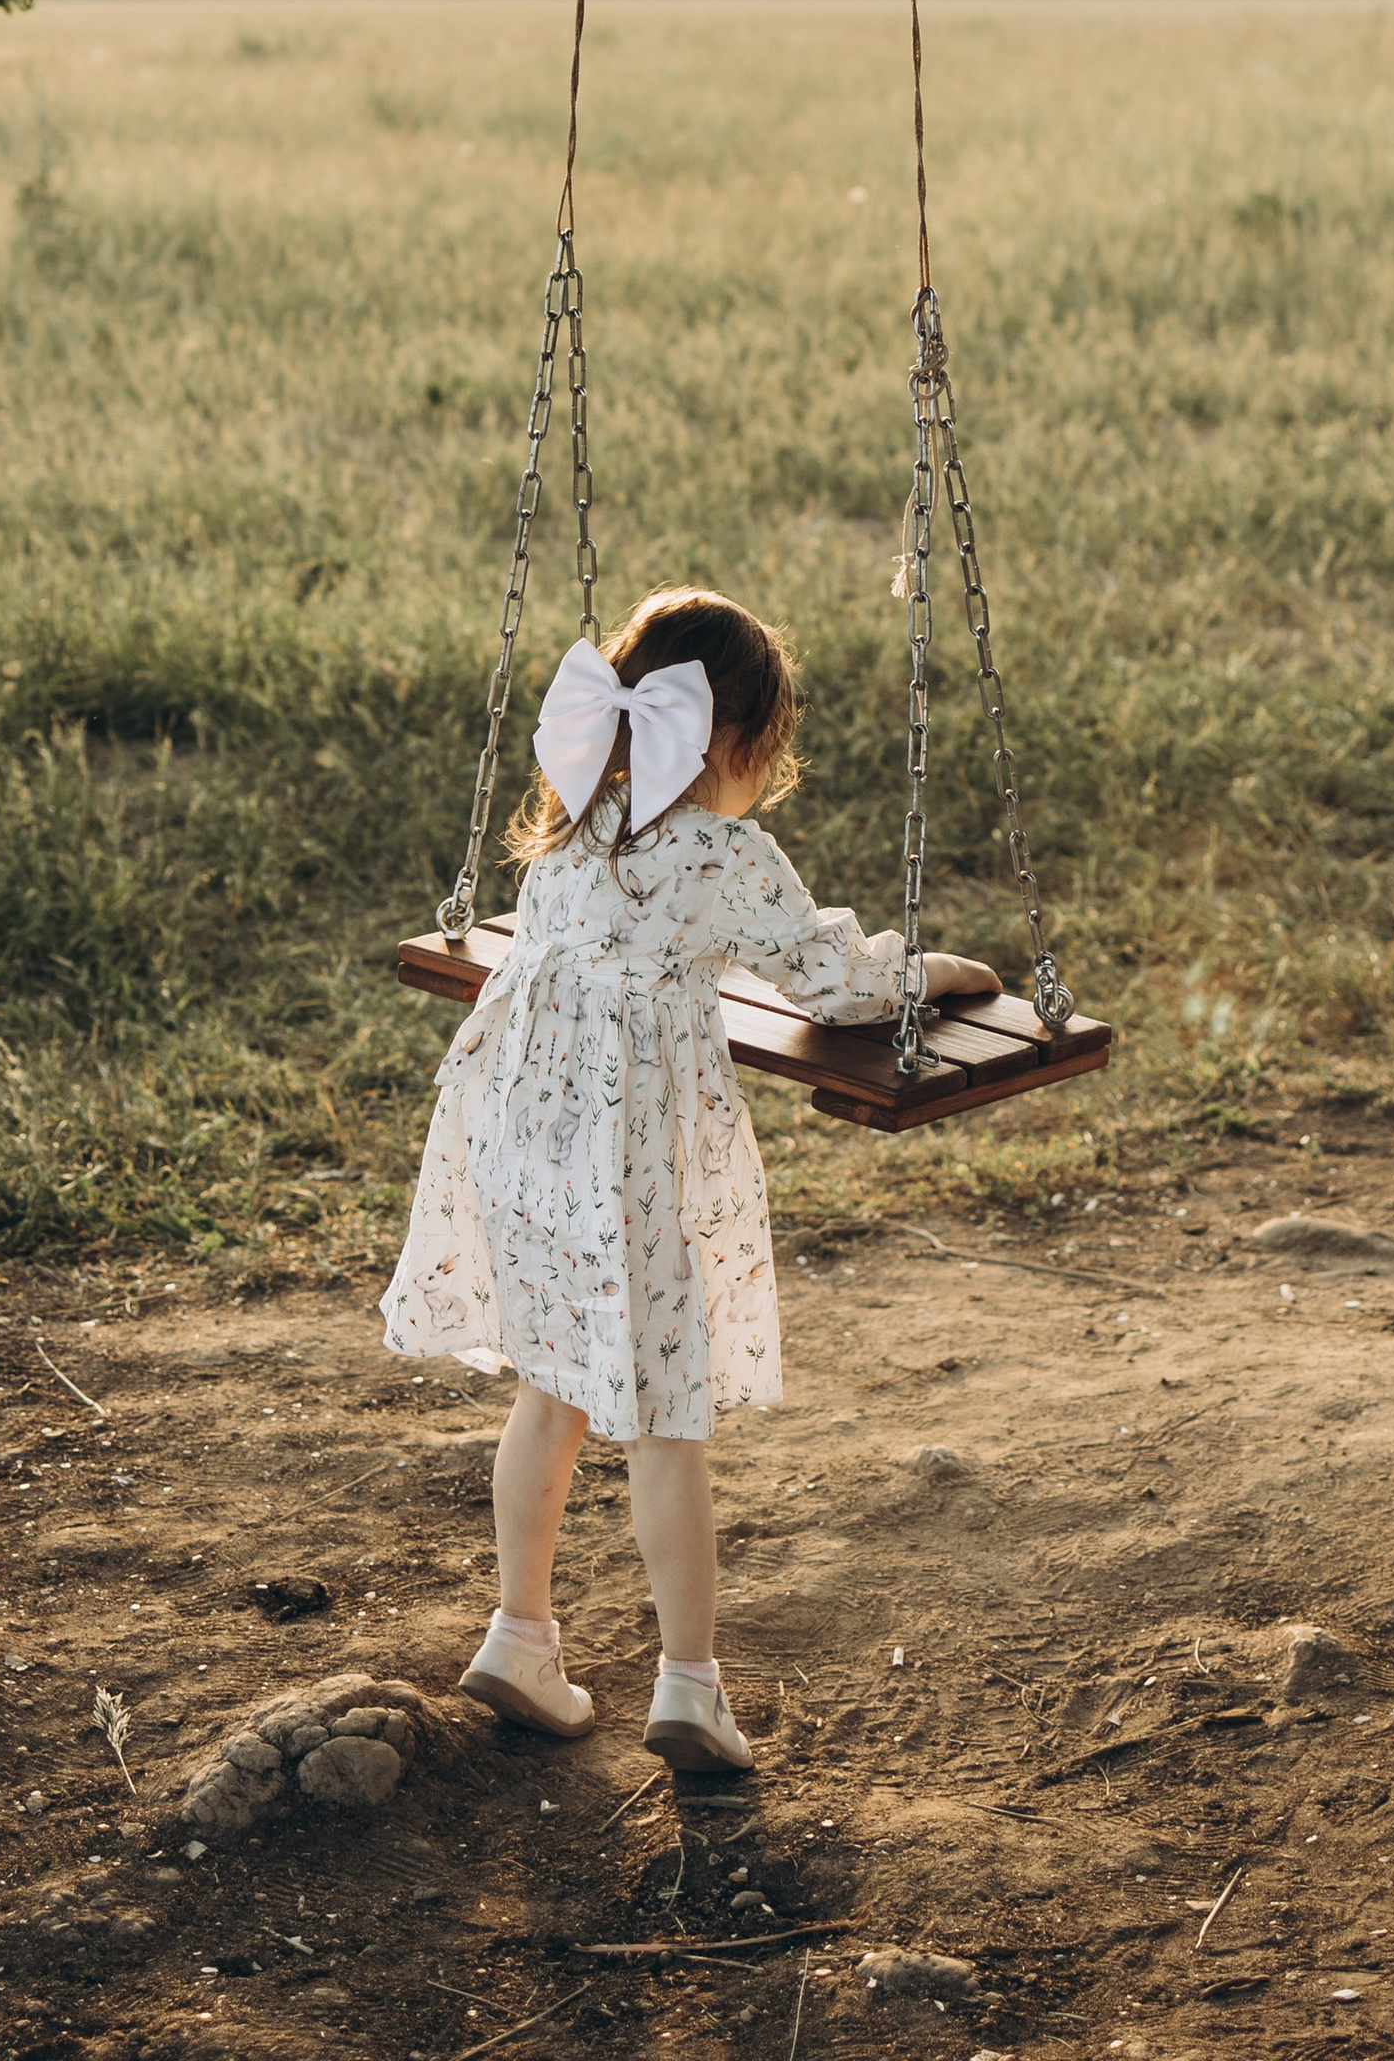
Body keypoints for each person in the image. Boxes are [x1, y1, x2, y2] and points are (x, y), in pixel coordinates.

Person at [379, 584, 1001, 1775]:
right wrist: (937, 974)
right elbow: (837, 987)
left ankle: (519, 1636)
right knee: (666, 1418)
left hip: (519, 1138)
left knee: (551, 1388)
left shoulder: (573, 830)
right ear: (734, 742)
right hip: (626, 1160)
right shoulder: (722, 851)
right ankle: (690, 1687)